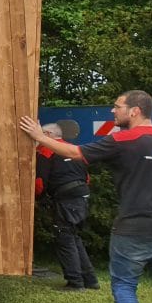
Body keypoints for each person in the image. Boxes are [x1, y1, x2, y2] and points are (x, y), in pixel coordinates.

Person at [20, 90, 152, 303]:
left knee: (124, 286)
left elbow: (76, 153)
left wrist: (40, 136)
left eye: (117, 106)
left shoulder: (122, 140)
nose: (113, 111)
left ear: (134, 111)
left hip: (134, 227)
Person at [34, 123, 99, 291]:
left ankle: (75, 282)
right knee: (74, 237)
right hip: (82, 197)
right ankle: (90, 280)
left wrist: (37, 199)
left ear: (47, 134)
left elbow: (39, 183)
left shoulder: (47, 151)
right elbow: (87, 178)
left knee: (65, 238)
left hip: (66, 199)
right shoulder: (74, 149)